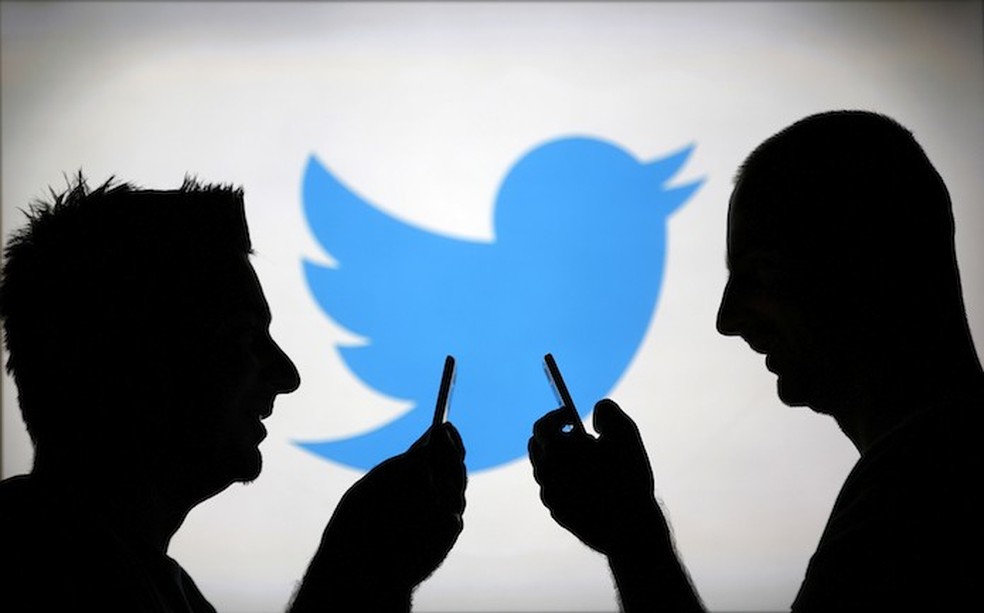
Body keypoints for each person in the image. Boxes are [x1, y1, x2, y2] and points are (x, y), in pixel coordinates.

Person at [529, 110, 983, 611]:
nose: (726, 319)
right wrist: (632, 533)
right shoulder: (938, 472)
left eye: (761, 272)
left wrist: (633, 537)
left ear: (867, 268)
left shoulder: (916, 504)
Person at [0, 175, 466, 612]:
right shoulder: (46, 576)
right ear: (125, 356)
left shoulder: (138, 580)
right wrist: (359, 575)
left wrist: (361, 570)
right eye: (243, 336)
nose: (288, 375)